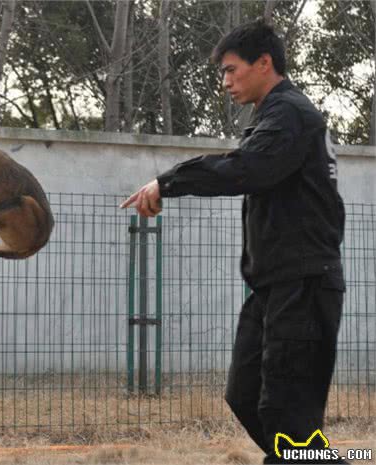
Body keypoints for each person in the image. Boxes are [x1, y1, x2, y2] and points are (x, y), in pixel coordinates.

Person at [120, 18, 346, 464]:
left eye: (230, 69)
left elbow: (245, 169)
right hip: (274, 285)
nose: (224, 81)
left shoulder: (290, 116)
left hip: (303, 284)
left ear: (264, 63)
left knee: (287, 413)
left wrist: (169, 182)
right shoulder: (275, 117)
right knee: (244, 393)